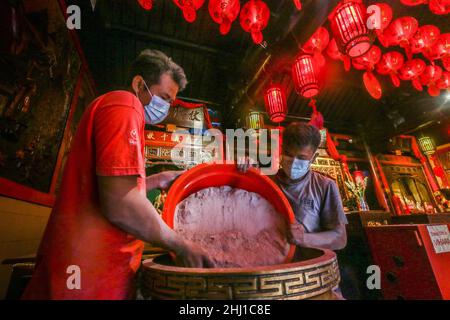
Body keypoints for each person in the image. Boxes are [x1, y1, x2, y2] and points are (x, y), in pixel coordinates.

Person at [22, 50, 212, 300]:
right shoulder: (125, 103)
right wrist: (180, 244)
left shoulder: (119, 110)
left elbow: (113, 187)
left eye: (170, 102)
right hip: (84, 280)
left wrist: (158, 178)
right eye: (164, 97)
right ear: (138, 84)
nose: (165, 108)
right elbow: (120, 203)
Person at [238, 122, 348, 251]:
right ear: (281, 150)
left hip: (307, 265)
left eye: (301, 157)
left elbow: (340, 238)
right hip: (269, 260)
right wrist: (245, 171)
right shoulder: (268, 181)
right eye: (289, 154)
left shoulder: (324, 186)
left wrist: (304, 238)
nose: (294, 161)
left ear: (313, 158)